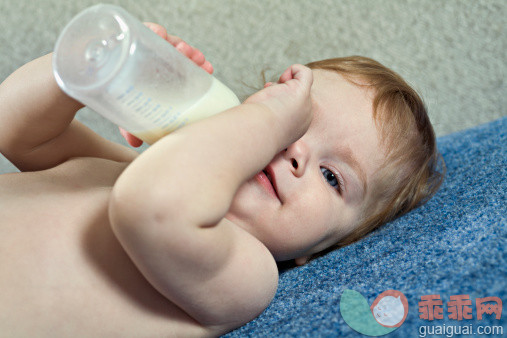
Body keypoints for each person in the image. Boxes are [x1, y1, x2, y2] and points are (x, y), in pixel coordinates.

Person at [0, 23, 443, 337]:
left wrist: (267, 119)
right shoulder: (125, 169)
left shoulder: (246, 275)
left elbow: (152, 207)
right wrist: (90, 73)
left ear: (324, 249)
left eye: (332, 176)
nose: (294, 151)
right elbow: (17, 131)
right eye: (298, 122)